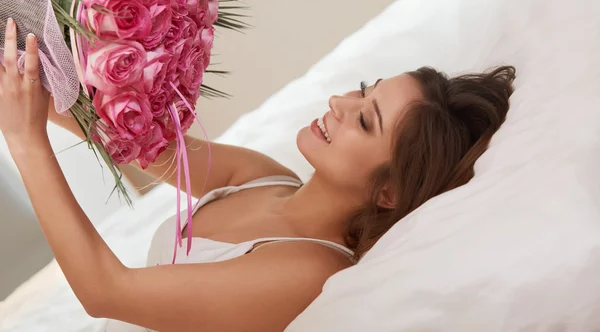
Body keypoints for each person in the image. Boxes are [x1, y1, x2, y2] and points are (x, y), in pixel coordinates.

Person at [0, 19, 515, 332]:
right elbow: (127, 139)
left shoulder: (310, 271)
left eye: (365, 118)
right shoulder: (266, 177)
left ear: (390, 191)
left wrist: (24, 140)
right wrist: (27, 77)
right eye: (363, 89)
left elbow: (104, 291)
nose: (339, 101)